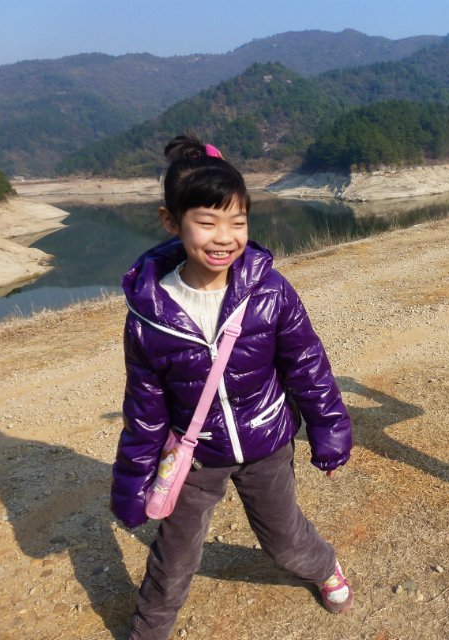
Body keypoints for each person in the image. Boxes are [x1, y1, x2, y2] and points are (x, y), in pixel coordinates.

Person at [110, 135, 354, 639]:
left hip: (267, 443)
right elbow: (145, 408)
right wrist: (132, 482)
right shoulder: (150, 314)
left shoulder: (270, 292)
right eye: (207, 222)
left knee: (284, 540)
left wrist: (330, 431)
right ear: (171, 222)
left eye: (238, 222)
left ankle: (323, 565)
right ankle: (149, 629)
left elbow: (307, 365)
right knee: (175, 555)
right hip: (195, 455)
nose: (224, 238)